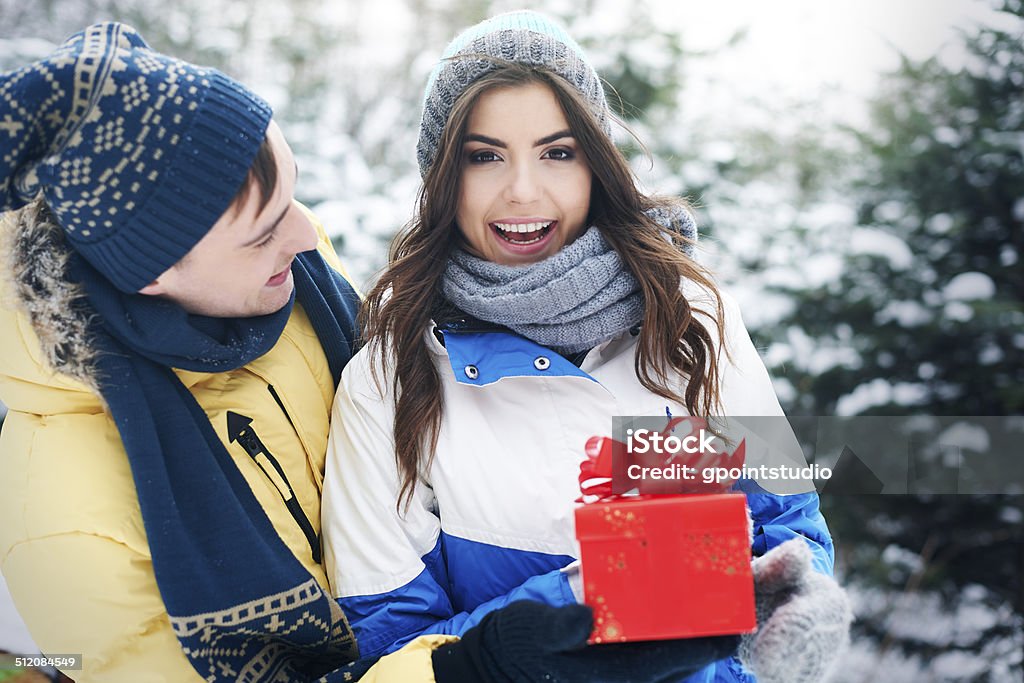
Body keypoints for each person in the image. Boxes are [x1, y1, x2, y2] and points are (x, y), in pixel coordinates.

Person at [322, 10, 853, 683]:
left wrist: (793, 598)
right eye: (483, 156)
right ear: (443, 178)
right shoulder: (391, 375)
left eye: (558, 151)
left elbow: (784, 518)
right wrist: (584, 607)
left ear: (596, 164)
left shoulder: (693, 319)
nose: (522, 189)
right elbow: (390, 640)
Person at [0, 22, 455, 681]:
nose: (306, 234)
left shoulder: (284, 276)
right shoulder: (66, 529)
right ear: (150, 275)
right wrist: (463, 664)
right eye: (265, 229)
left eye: (292, 196)